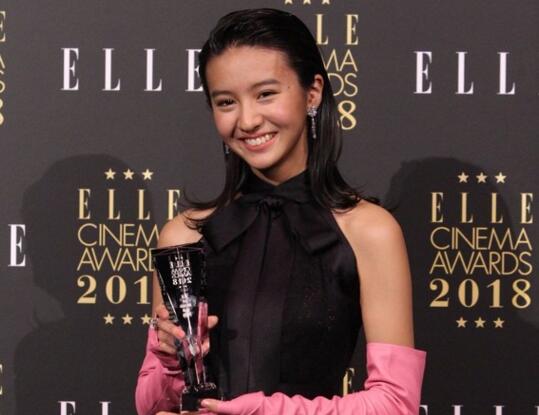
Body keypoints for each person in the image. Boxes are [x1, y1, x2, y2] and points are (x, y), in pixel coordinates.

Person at [135, 8, 426, 415]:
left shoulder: (369, 231)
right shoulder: (184, 236)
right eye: (226, 102)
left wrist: (268, 411)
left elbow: (396, 402)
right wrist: (169, 359)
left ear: (313, 93)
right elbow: (152, 404)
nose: (248, 120)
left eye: (266, 94)